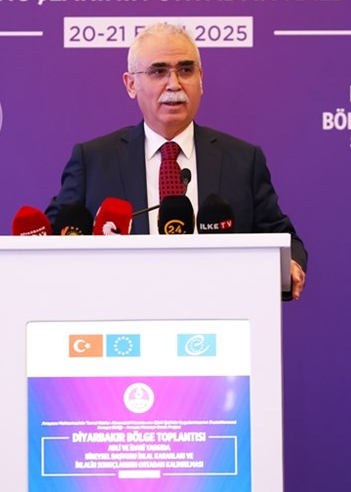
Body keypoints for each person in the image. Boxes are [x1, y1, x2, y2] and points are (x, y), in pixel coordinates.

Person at [32, 21, 308, 300]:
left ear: (201, 79)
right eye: (158, 71)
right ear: (131, 84)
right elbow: (52, 236)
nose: (174, 84)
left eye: (186, 70)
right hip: (120, 312)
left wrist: (292, 264)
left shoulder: (243, 160)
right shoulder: (93, 161)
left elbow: (283, 238)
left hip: (218, 312)